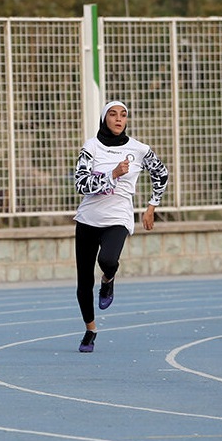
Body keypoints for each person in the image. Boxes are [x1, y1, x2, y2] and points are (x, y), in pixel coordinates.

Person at [73, 100, 168, 353]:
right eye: (113, 114)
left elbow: (161, 174)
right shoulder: (90, 147)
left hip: (117, 217)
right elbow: (81, 184)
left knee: (108, 260)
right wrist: (111, 175)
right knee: (83, 282)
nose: (118, 119)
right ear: (104, 119)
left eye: (123, 115)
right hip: (87, 219)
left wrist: (151, 206)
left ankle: (108, 278)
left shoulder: (139, 149)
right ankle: (90, 330)